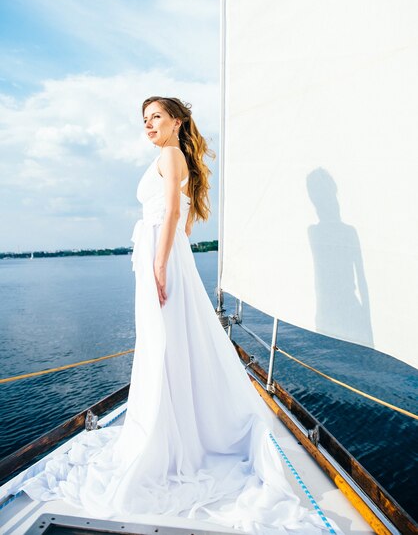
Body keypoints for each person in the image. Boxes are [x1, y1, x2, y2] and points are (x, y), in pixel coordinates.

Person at [5, 97, 340, 534]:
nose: (148, 125)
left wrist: (161, 264)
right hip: (162, 254)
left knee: (163, 341)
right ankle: (172, 420)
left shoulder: (170, 153)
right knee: (166, 340)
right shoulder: (173, 157)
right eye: (144, 120)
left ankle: (167, 430)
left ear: (176, 121)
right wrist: (170, 255)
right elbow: (180, 221)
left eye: (156, 117)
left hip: (160, 257)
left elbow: (172, 218)